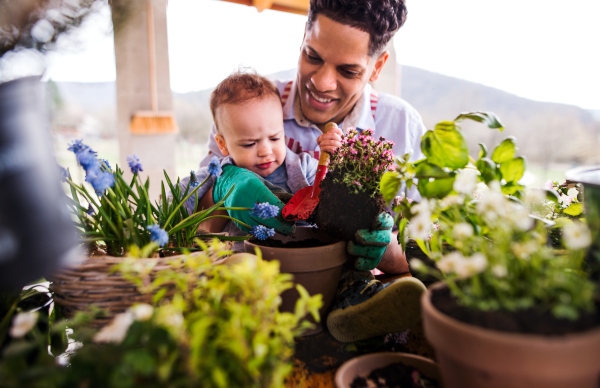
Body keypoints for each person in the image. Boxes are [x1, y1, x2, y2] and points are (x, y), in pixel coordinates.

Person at [195, 0, 428, 342]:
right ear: (303, 37)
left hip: (336, 290)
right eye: (312, 56)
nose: (321, 82)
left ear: (377, 67)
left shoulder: (401, 124)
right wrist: (221, 191)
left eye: (347, 71)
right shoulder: (250, 106)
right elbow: (196, 231)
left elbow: (421, 256)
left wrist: (389, 250)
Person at [181, 69, 318, 251]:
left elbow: (333, 195)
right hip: (240, 271)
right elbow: (173, 210)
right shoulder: (215, 176)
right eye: (249, 144)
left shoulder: (304, 168)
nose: (265, 151)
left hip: (301, 266)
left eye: (275, 138)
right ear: (223, 145)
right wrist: (218, 192)